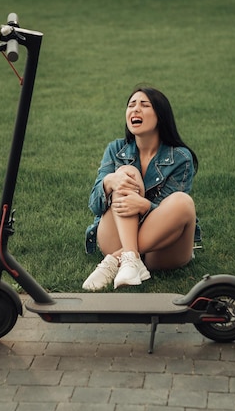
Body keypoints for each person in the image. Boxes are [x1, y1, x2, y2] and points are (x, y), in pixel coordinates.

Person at [83, 86, 200, 291]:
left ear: (160, 115)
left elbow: (171, 215)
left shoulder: (181, 157)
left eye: (144, 105)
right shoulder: (115, 149)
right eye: (131, 105)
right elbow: (95, 205)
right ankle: (130, 258)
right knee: (125, 174)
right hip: (115, 236)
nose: (135, 109)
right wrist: (109, 182)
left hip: (162, 250)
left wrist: (145, 205)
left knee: (183, 202)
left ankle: (115, 262)